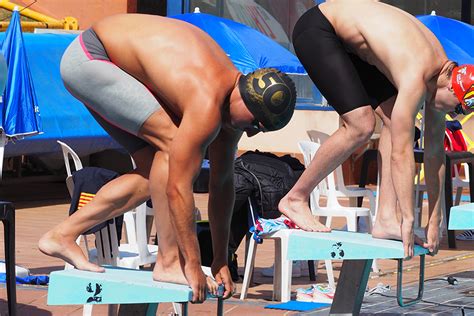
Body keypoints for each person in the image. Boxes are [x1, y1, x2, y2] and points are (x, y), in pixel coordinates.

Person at [38, 13, 296, 303]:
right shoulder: (206, 100)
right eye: (253, 125)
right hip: (92, 58)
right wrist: (191, 263)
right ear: (245, 98)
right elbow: (178, 188)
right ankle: (168, 261)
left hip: (108, 64)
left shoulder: (233, 107)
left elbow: (222, 185)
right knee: (172, 150)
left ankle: (62, 234)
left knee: (154, 172)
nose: (250, 134)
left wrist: (221, 258)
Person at [278, 1, 474, 259]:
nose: (453, 115)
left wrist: (435, 219)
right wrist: (409, 218)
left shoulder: (441, 74)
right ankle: (295, 198)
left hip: (351, 44)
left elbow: (435, 153)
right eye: (458, 109)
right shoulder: (416, 76)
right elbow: (400, 155)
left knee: (395, 119)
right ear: (451, 89)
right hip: (319, 29)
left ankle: (385, 219)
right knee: (361, 124)